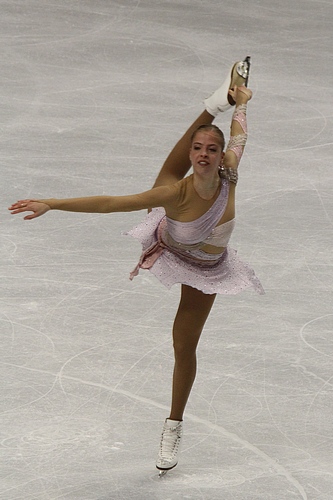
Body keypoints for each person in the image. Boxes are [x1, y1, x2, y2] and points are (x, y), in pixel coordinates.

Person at [8, 57, 264, 476]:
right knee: (165, 180)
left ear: (221, 157)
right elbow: (111, 203)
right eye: (197, 149)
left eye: (210, 150)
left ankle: (173, 425)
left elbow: (240, 134)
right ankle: (215, 101)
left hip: (207, 265)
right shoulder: (175, 192)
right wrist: (52, 203)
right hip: (172, 237)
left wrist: (243, 104)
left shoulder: (230, 171)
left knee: (184, 346)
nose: (202, 154)